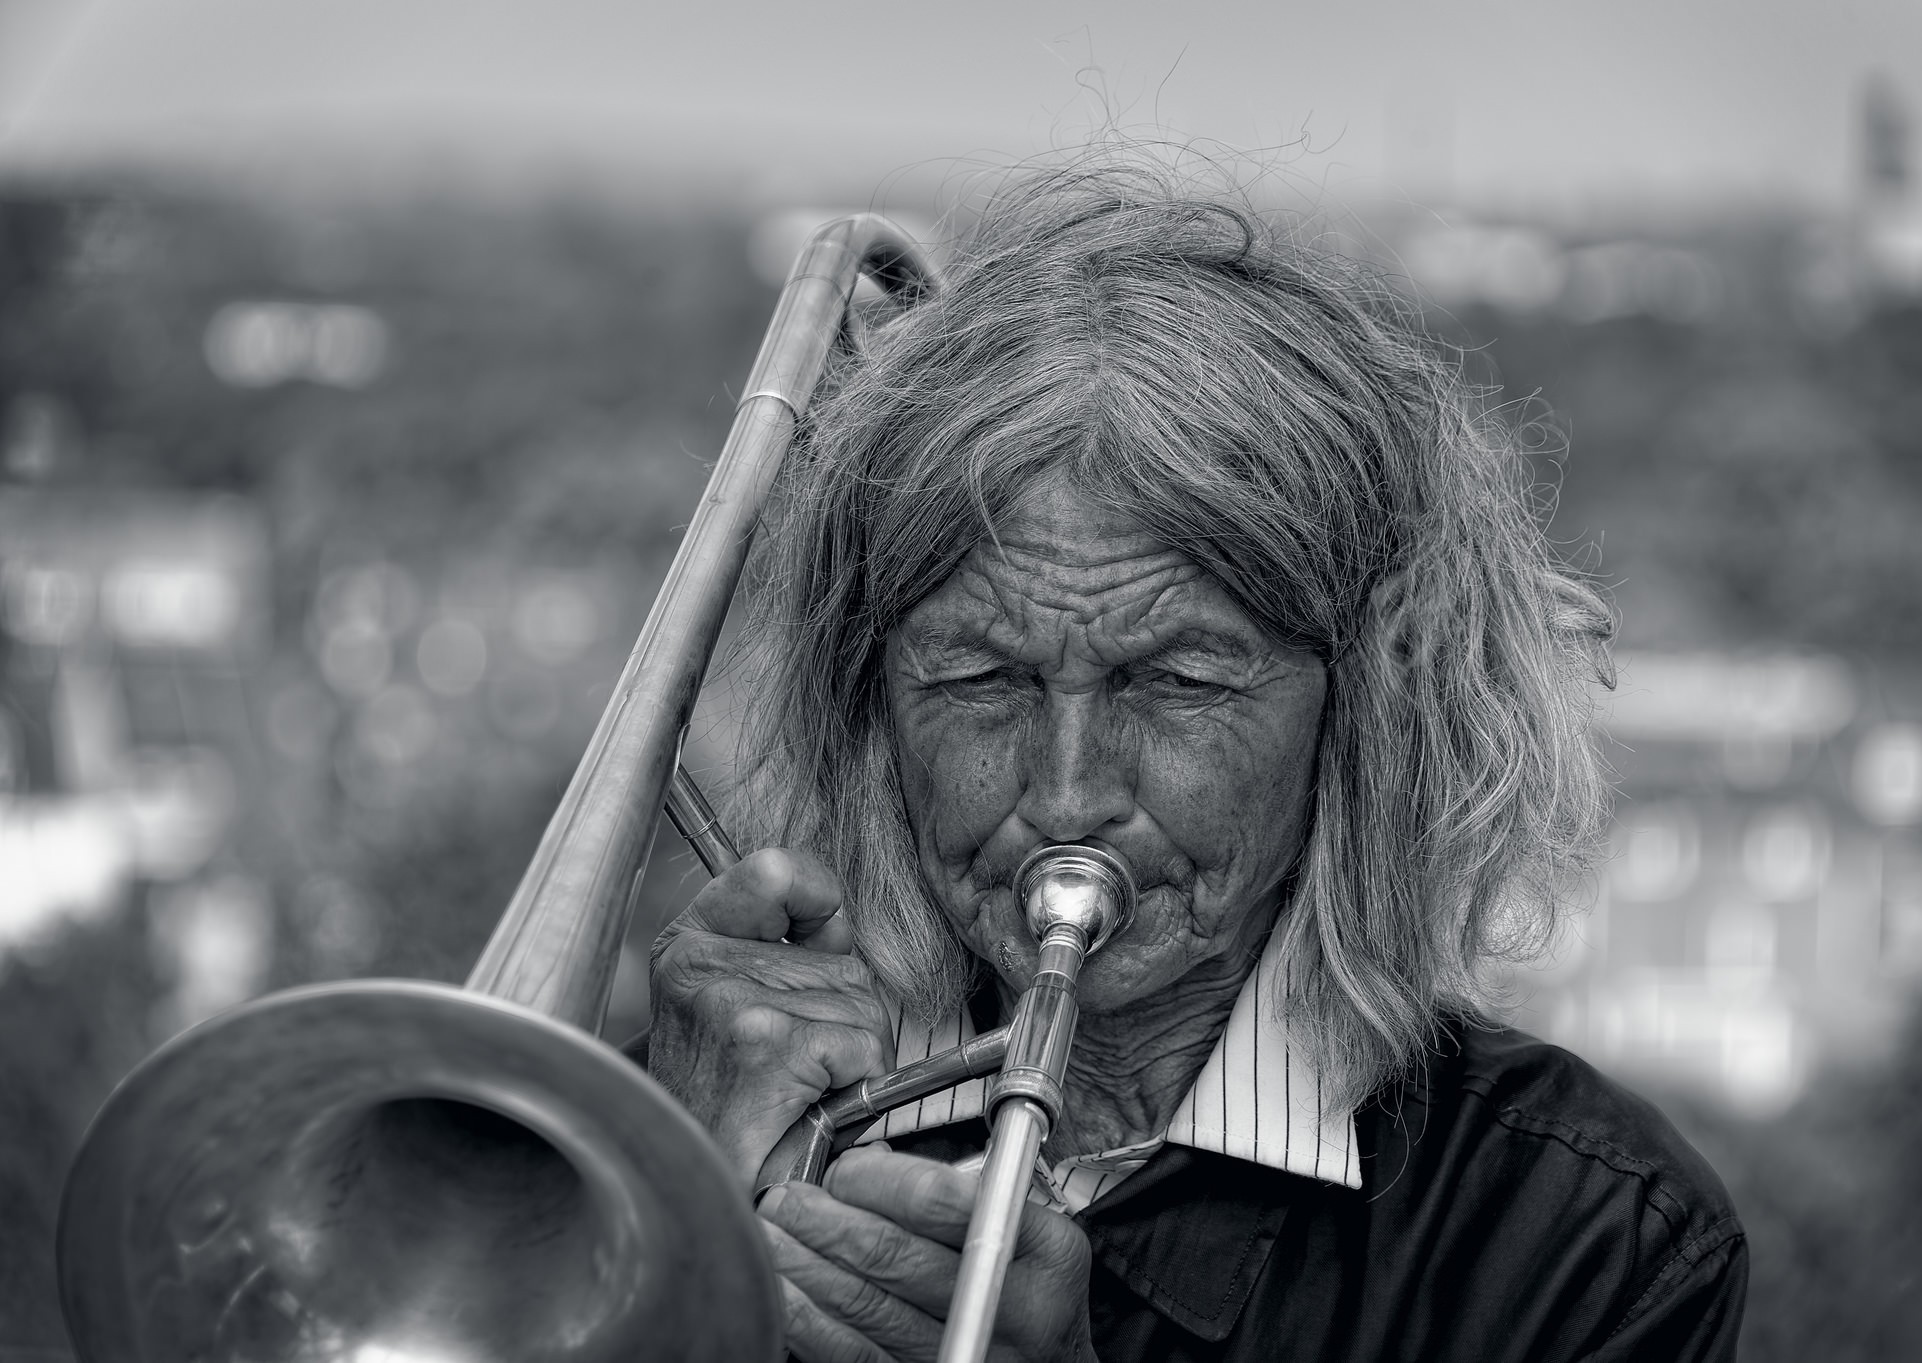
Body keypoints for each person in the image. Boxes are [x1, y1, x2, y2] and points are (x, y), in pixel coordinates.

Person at [636, 159, 1748, 1362]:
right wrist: (657, 1238)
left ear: (1366, 717)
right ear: (872, 703)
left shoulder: (1586, 1243)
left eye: (1175, 682)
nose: (1066, 794)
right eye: (980, 679)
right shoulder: (698, 1100)